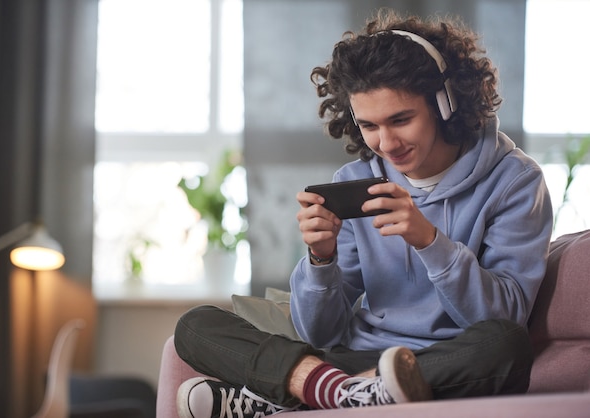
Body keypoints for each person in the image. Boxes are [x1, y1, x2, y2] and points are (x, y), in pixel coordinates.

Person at [173, 8, 553, 418]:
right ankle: (348, 393)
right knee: (195, 326)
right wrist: (321, 260)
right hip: (354, 361)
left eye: (401, 119)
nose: (386, 143)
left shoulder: (515, 181)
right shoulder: (357, 180)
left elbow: (505, 315)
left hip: (443, 364)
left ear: (446, 104)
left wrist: (430, 242)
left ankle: (296, 391)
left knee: (507, 345)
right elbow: (322, 332)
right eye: (369, 125)